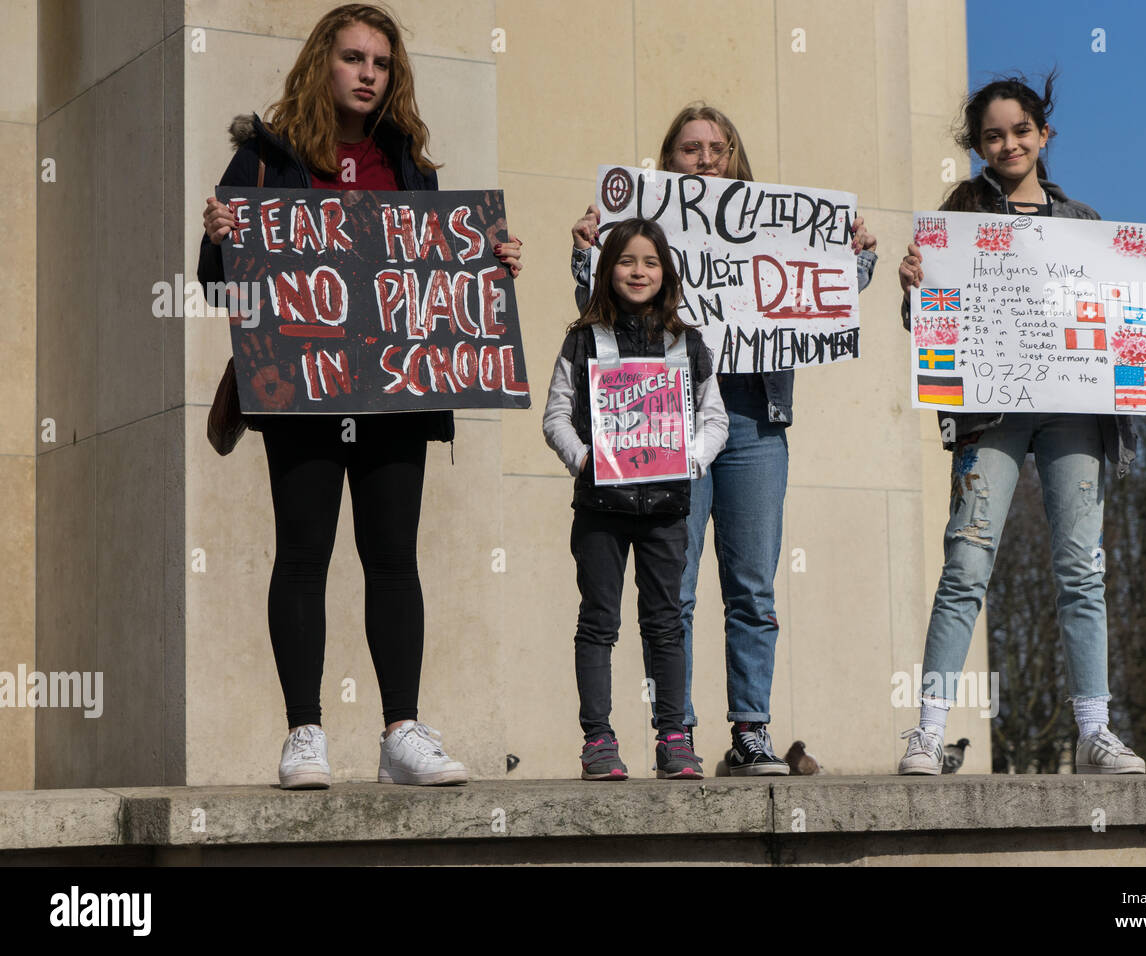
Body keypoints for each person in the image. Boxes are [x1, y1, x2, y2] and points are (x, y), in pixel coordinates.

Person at [196, 3, 522, 789]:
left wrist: (489, 266)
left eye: (381, 62)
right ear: (323, 63)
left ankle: (401, 734)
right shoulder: (265, 157)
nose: (368, 73)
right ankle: (304, 734)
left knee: (393, 559)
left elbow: (433, 282)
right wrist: (218, 236)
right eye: (353, 58)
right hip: (301, 387)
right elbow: (216, 283)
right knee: (303, 556)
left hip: (394, 391)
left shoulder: (409, 161)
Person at [570, 104, 878, 774]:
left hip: (755, 421)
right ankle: (673, 732)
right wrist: (585, 252)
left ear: (735, 157)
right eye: (690, 148)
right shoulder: (644, 236)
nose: (706, 159)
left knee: (752, 586)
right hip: (668, 420)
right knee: (672, 588)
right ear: (668, 159)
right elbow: (597, 305)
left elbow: (827, 294)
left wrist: (857, 258)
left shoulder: (773, 229)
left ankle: (750, 734)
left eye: (718, 147)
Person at [894, 73, 1146, 775]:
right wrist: (915, 293)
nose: (1008, 143)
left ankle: (1094, 732)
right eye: (993, 135)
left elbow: (1129, 312)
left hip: (1075, 415)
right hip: (989, 415)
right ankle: (929, 732)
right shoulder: (957, 220)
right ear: (978, 145)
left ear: (1043, 135)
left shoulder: (1085, 223)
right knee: (966, 565)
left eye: (1020, 130)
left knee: (1083, 571)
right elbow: (928, 332)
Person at [543, 218, 729, 780]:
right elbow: (554, 417)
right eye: (627, 261)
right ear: (607, 270)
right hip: (600, 510)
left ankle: (674, 736)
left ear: (665, 273)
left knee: (665, 623)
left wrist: (690, 459)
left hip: (668, 509)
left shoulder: (687, 343)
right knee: (598, 622)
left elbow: (714, 419)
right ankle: (598, 740)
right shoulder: (582, 338)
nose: (639, 271)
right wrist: (584, 460)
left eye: (650, 262)